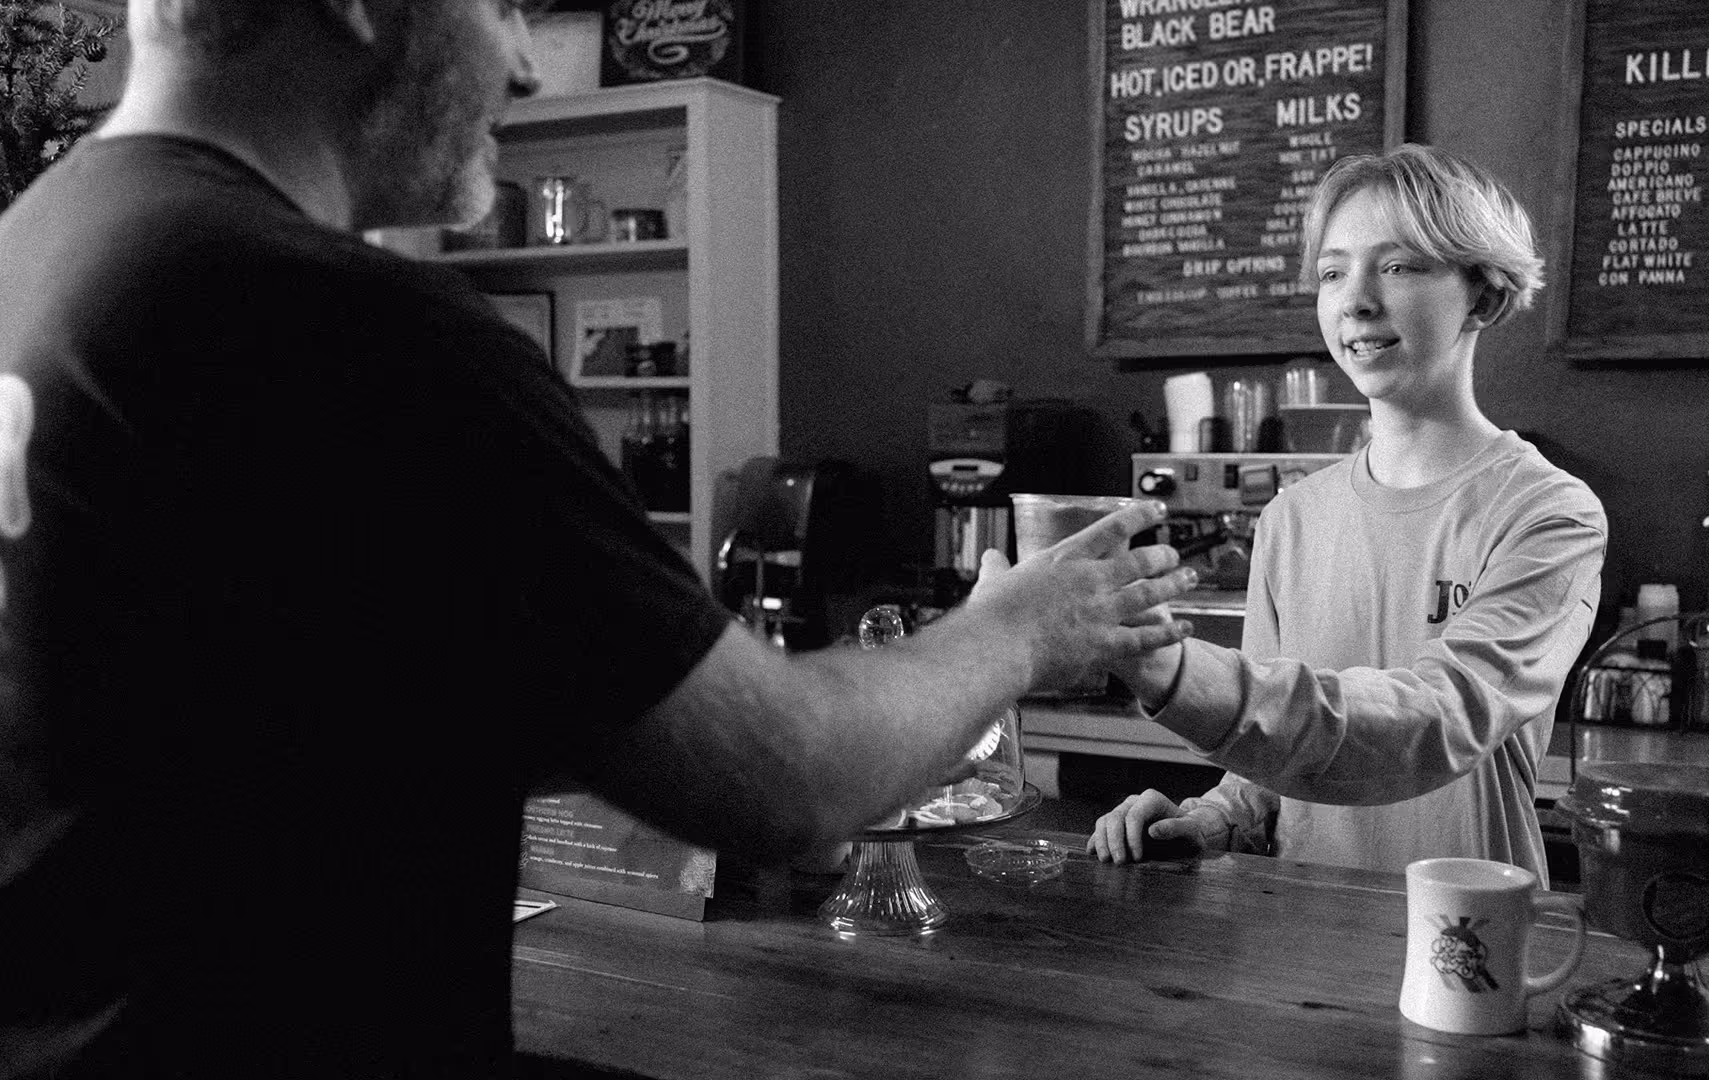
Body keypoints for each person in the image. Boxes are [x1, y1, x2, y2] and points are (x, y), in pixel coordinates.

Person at [0, 2, 1195, 1076]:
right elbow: (789, 783)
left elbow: (217, 726)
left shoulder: (37, 256)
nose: (523, 61)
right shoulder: (359, 331)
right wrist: (1025, 626)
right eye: (507, 3)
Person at [1088, 144, 1607, 881]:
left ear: (1485, 298)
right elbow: (1272, 770)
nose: (1356, 300)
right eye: (1334, 272)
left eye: (1398, 267)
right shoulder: (1292, 518)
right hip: (1300, 947)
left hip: (1467, 946)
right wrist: (1211, 817)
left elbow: (1439, 722)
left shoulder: (1548, 513)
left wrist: (1171, 671)